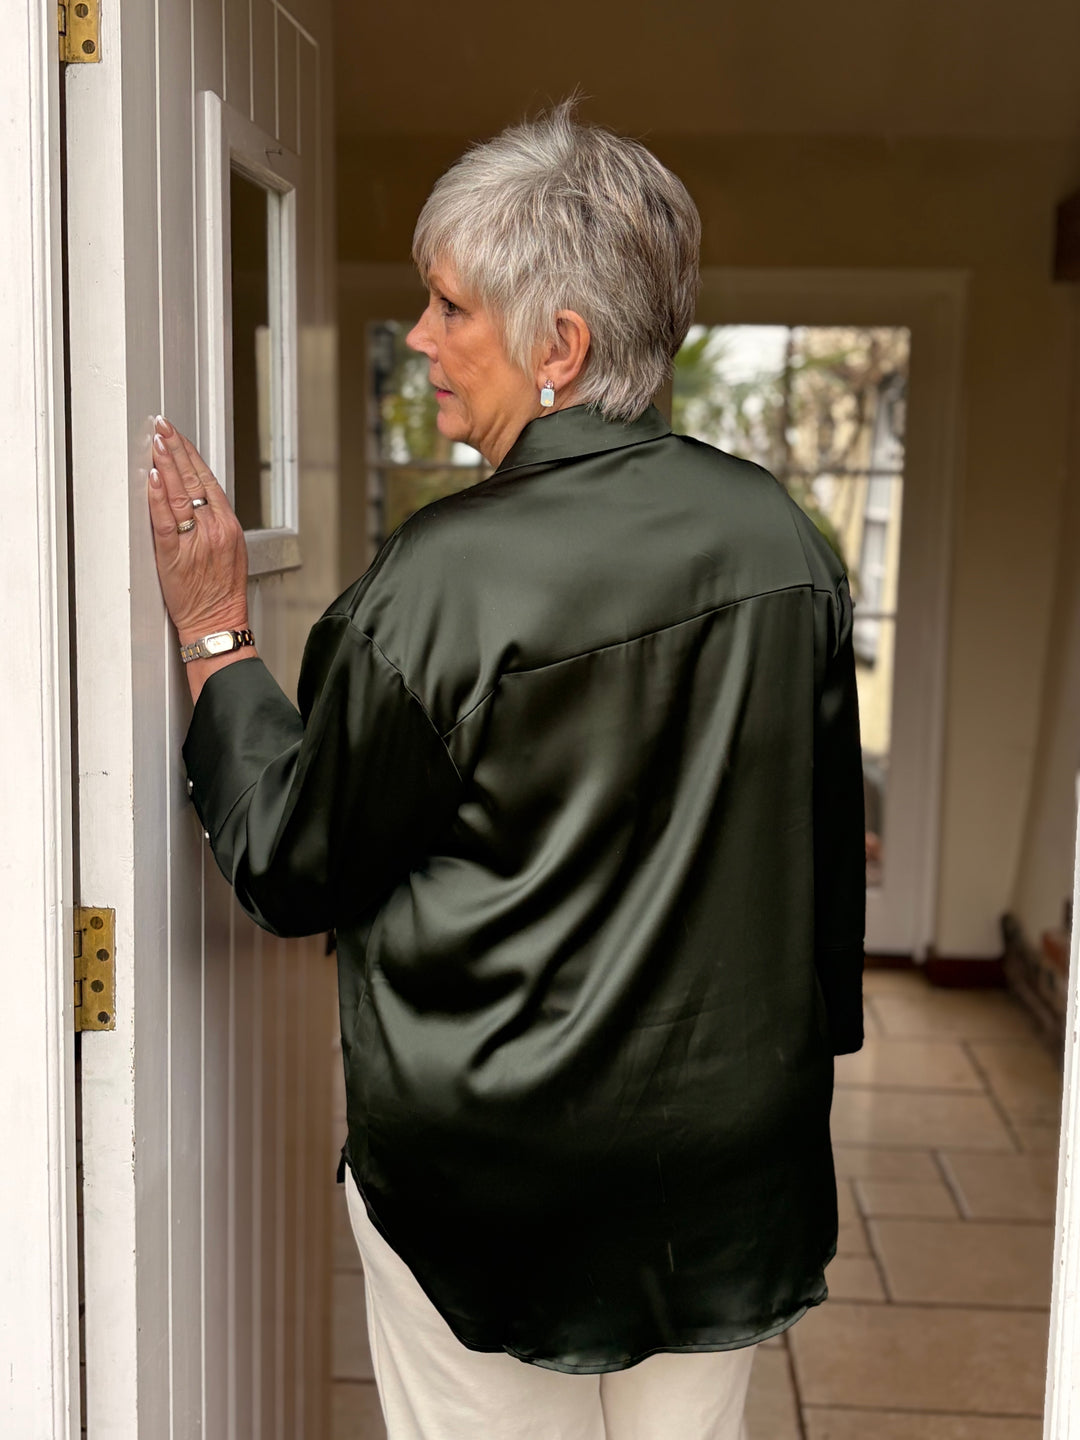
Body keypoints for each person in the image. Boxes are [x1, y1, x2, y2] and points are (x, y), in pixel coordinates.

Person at [148, 104, 865, 1440]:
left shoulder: (444, 581)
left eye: (449, 306)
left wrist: (216, 637)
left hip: (496, 1178)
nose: (419, 337)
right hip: (729, 1159)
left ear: (560, 347)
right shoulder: (782, 538)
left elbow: (294, 863)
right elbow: (823, 875)